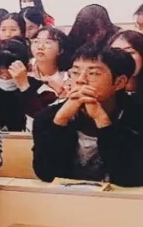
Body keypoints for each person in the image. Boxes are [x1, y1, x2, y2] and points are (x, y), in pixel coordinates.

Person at [33, 44, 143, 185]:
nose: (80, 80)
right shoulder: (47, 117)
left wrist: (102, 121)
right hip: (66, 197)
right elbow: (46, 174)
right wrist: (60, 121)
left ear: (119, 82)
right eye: (75, 72)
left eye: (94, 73)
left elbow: (131, 177)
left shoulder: (137, 115)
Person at [0, 40, 45, 131]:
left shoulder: (42, 91)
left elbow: (44, 123)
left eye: (11, 75)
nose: (5, 78)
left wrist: (24, 87)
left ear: (27, 68)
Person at [30, 27, 72, 99]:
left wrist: (59, 90)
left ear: (60, 50)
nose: (40, 47)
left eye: (47, 42)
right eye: (36, 41)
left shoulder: (67, 77)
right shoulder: (25, 69)